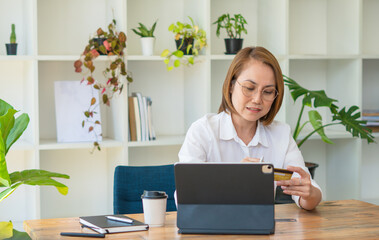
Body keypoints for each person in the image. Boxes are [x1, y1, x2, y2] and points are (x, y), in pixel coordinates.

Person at [178, 46, 322, 210]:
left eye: (267, 92)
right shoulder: (202, 131)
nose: (257, 99)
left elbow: (310, 194)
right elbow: (185, 198)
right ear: (231, 85)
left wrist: (309, 194)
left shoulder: (281, 134)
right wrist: (233, 179)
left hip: (262, 229)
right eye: (249, 88)